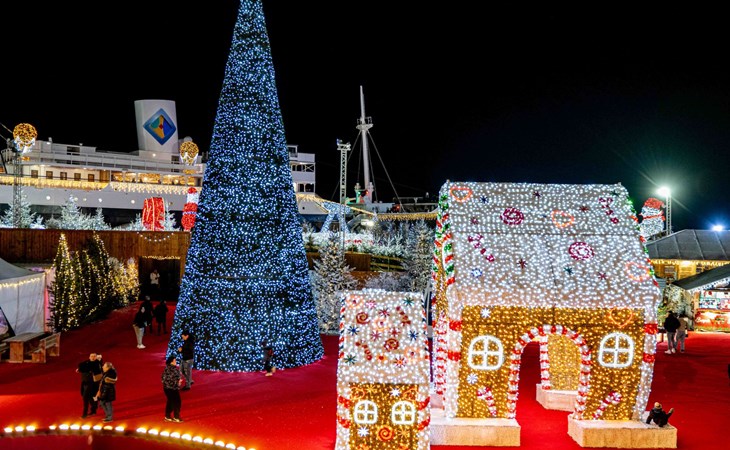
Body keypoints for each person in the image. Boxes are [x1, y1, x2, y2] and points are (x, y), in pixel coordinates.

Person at [76, 353, 103, 418]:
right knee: (91, 397)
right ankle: (93, 410)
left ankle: (85, 413)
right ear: (89, 357)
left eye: (94, 356)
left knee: (86, 397)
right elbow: (81, 366)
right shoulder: (87, 362)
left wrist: (80, 369)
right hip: (85, 383)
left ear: (96, 357)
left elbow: (88, 368)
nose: (93, 357)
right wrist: (79, 369)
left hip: (92, 384)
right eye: (91, 356)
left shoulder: (97, 364)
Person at [162, 355, 184, 422]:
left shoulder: (168, 368)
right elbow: (169, 379)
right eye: (174, 361)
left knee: (171, 402)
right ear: (171, 362)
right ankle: (176, 417)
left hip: (168, 388)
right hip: (171, 388)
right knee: (177, 402)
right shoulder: (171, 369)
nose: (176, 362)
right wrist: (177, 382)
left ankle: (167, 416)